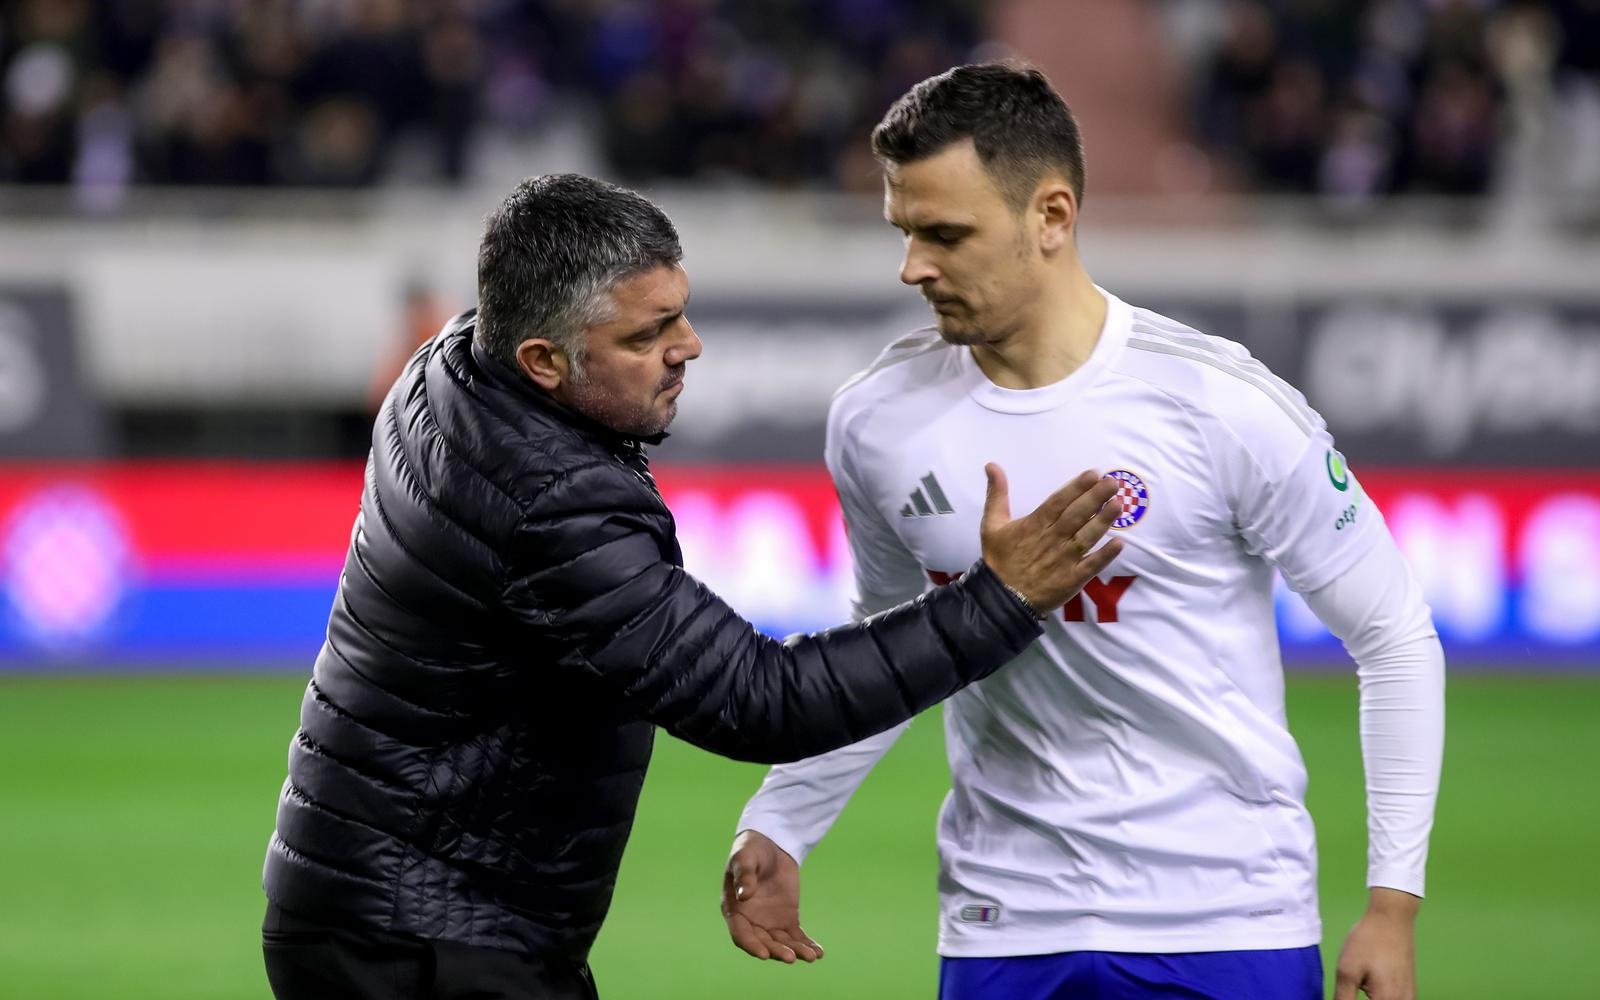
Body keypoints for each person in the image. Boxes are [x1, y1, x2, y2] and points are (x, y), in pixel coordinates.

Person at [259, 171, 1128, 1000]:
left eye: (680, 313)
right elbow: (759, 699)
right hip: (428, 936)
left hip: (379, 906)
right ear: (543, 360)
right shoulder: (548, 503)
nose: (688, 347)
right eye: (646, 335)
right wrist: (999, 599)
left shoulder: (451, 366)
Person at [721, 64, 1445, 1000]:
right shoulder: (877, 420)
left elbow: (1393, 637)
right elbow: (890, 647)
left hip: (1225, 919)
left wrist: (1394, 904)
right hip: (1001, 923)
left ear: (1052, 217)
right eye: (903, 233)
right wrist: (781, 820)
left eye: (946, 234)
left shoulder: (1219, 404)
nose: (913, 268)